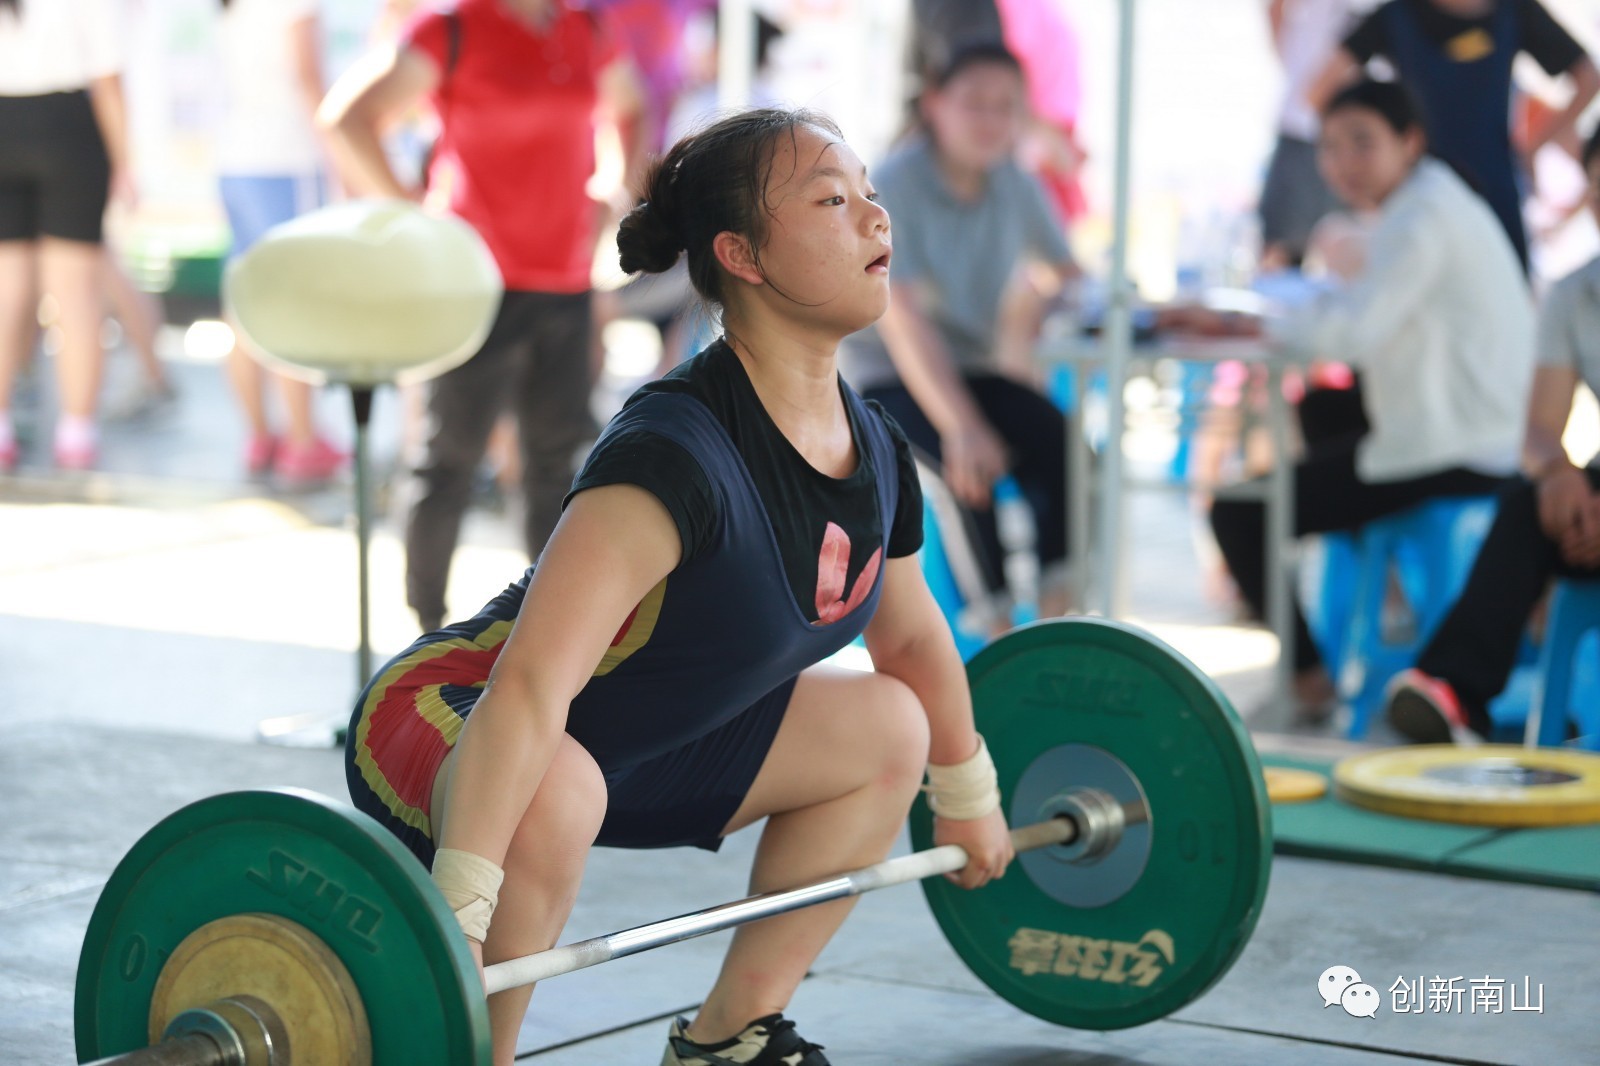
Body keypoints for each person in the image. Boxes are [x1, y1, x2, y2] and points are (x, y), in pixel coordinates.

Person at [344, 107, 1014, 1066]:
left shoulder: (874, 448)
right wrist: (458, 912)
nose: (877, 217)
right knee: (556, 786)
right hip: (457, 721)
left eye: (870, 193)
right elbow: (527, 688)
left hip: (630, 753)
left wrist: (967, 790)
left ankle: (727, 1040)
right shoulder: (671, 454)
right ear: (741, 254)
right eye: (832, 201)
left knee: (891, 728)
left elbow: (910, 641)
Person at [1190, 79, 1536, 715]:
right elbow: (1361, 315)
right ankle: (1385, 588)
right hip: (1468, 422)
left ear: (1410, 141)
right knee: (1319, 408)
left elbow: (1353, 333)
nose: (1343, 162)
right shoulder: (1428, 202)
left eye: (1361, 143)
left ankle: (1309, 679)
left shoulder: (1422, 218)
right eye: (1330, 147)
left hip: (1455, 443)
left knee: (1237, 510)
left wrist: (1248, 322)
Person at [319, 0, 645, 633]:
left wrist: (616, 188)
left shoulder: (583, 29)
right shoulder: (453, 28)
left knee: (555, 467)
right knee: (448, 463)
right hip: (474, 286)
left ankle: (550, 636)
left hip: (565, 283)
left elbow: (631, 106)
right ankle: (426, 632)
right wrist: (411, 209)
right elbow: (346, 118)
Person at [840, 42, 1079, 630]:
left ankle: (1054, 626)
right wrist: (964, 428)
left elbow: (1070, 277)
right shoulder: (894, 183)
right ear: (934, 105)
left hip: (972, 365)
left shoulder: (1017, 183)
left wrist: (1034, 309)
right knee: (963, 469)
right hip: (885, 372)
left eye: (1006, 106)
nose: (990, 120)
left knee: (1063, 445)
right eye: (974, 103)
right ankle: (996, 637)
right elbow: (903, 319)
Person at [1384, 123, 1600, 744]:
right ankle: (1455, 696)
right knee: (1527, 502)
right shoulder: (1575, 293)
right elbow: (1539, 429)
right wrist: (1558, 473)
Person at [1308, 0, 1600, 272]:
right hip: (1426, 198)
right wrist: (1370, 158)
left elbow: (1588, 77)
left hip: (1492, 191)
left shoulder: (1514, 10)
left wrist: (1532, 146)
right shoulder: (1396, 14)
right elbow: (1321, 90)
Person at [215, 0, 344, 485]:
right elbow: (309, 77)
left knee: (245, 301)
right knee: (290, 302)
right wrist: (341, 157)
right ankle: (303, 440)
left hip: (238, 158)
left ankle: (259, 435)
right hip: (286, 161)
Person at [0, 0, 132, 471]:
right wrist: (126, 163)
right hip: (69, 128)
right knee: (75, 296)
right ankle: (77, 433)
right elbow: (109, 78)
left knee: (7, 292)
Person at [1260, 0, 1355, 269]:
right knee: (1279, 253)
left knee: (1349, 249)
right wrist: (1297, 69)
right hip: (1301, 130)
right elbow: (1275, 8)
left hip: (1357, 141)